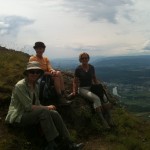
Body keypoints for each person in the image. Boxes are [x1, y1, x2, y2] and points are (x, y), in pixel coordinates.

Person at [5, 61, 84, 150]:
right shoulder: (20, 86)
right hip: (18, 116)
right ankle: (52, 144)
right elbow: (28, 107)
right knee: (44, 111)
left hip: (29, 113)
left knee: (54, 113)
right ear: (27, 73)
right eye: (32, 72)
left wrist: (47, 108)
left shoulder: (36, 85)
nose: (35, 74)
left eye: (37, 72)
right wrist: (46, 107)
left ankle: (69, 142)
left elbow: (37, 103)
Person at [72, 52, 114, 129]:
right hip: (82, 89)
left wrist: (99, 87)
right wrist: (74, 91)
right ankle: (103, 121)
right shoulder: (78, 69)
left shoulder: (91, 67)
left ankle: (110, 117)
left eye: (86, 58)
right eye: (83, 58)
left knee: (104, 97)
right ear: (80, 60)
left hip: (91, 87)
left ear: (88, 59)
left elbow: (94, 78)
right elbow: (75, 81)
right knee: (96, 98)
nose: (84, 59)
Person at [29, 42, 71, 106]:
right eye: (38, 49)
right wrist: (49, 73)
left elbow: (49, 67)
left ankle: (62, 95)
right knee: (57, 76)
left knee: (58, 73)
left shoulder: (45, 59)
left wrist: (52, 71)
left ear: (43, 50)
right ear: (35, 49)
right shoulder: (32, 58)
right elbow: (36, 70)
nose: (39, 50)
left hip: (47, 76)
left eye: (41, 48)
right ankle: (61, 97)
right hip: (38, 76)